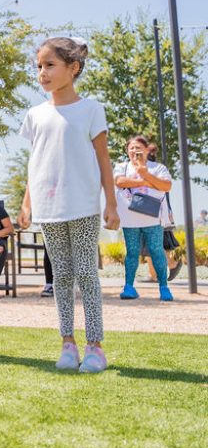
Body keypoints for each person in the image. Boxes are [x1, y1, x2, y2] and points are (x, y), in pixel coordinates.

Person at [19, 37, 118, 374]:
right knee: (60, 275)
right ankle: (67, 343)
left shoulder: (91, 109)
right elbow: (34, 161)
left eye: (50, 65)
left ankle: (95, 347)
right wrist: (26, 203)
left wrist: (112, 204)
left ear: (73, 68)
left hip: (84, 204)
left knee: (87, 273)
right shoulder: (34, 114)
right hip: (49, 207)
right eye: (39, 66)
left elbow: (104, 159)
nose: (42, 73)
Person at [114, 136, 173, 302]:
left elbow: (166, 185)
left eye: (138, 147)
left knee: (156, 251)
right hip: (129, 219)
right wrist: (145, 181)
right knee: (132, 252)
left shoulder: (158, 168)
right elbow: (119, 181)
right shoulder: (122, 166)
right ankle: (129, 286)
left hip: (152, 219)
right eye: (131, 148)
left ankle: (164, 287)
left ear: (147, 150)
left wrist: (145, 173)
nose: (134, 151)